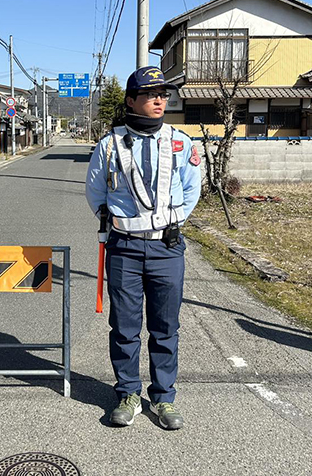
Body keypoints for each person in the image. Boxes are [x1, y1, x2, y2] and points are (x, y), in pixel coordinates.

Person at [85, 66, 201, 430]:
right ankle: (128, 393)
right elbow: (95, 193)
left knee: (166, 327)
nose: (159, 100)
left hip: (167, 248)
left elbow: (191, 189)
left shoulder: (181, 142)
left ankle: (164, 398)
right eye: (151, 95)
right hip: (124, 248)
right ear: (131, 100)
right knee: (124, 326)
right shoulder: (110, 144)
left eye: (163, 95)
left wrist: (169, 224)